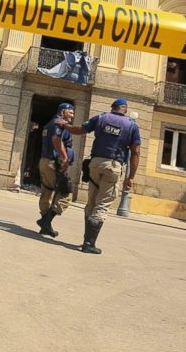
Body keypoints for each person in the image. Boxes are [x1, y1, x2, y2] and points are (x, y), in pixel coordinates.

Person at [60, 98, 141, 254]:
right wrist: (131, 177)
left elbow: (80, 130)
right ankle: (89, 244)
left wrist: (65, 126)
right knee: (102, 204)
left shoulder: (101, 117)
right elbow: (135, 152)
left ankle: (86, 239)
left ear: (113, 108)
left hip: (95, 164)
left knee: (91, 202)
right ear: (124, 109)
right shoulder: (131, 125)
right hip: (113, 166)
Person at [36, 103, 75, 238]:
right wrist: (65, 158)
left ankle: (45, 225)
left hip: (45, 161)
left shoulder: (49, 124)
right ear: (63, 112)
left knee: (47, 192)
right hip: (53, 163)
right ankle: (46, 221)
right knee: (65, 193)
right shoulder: (58, 124)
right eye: (70, 112)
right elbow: (56, 139)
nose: (72, 115)